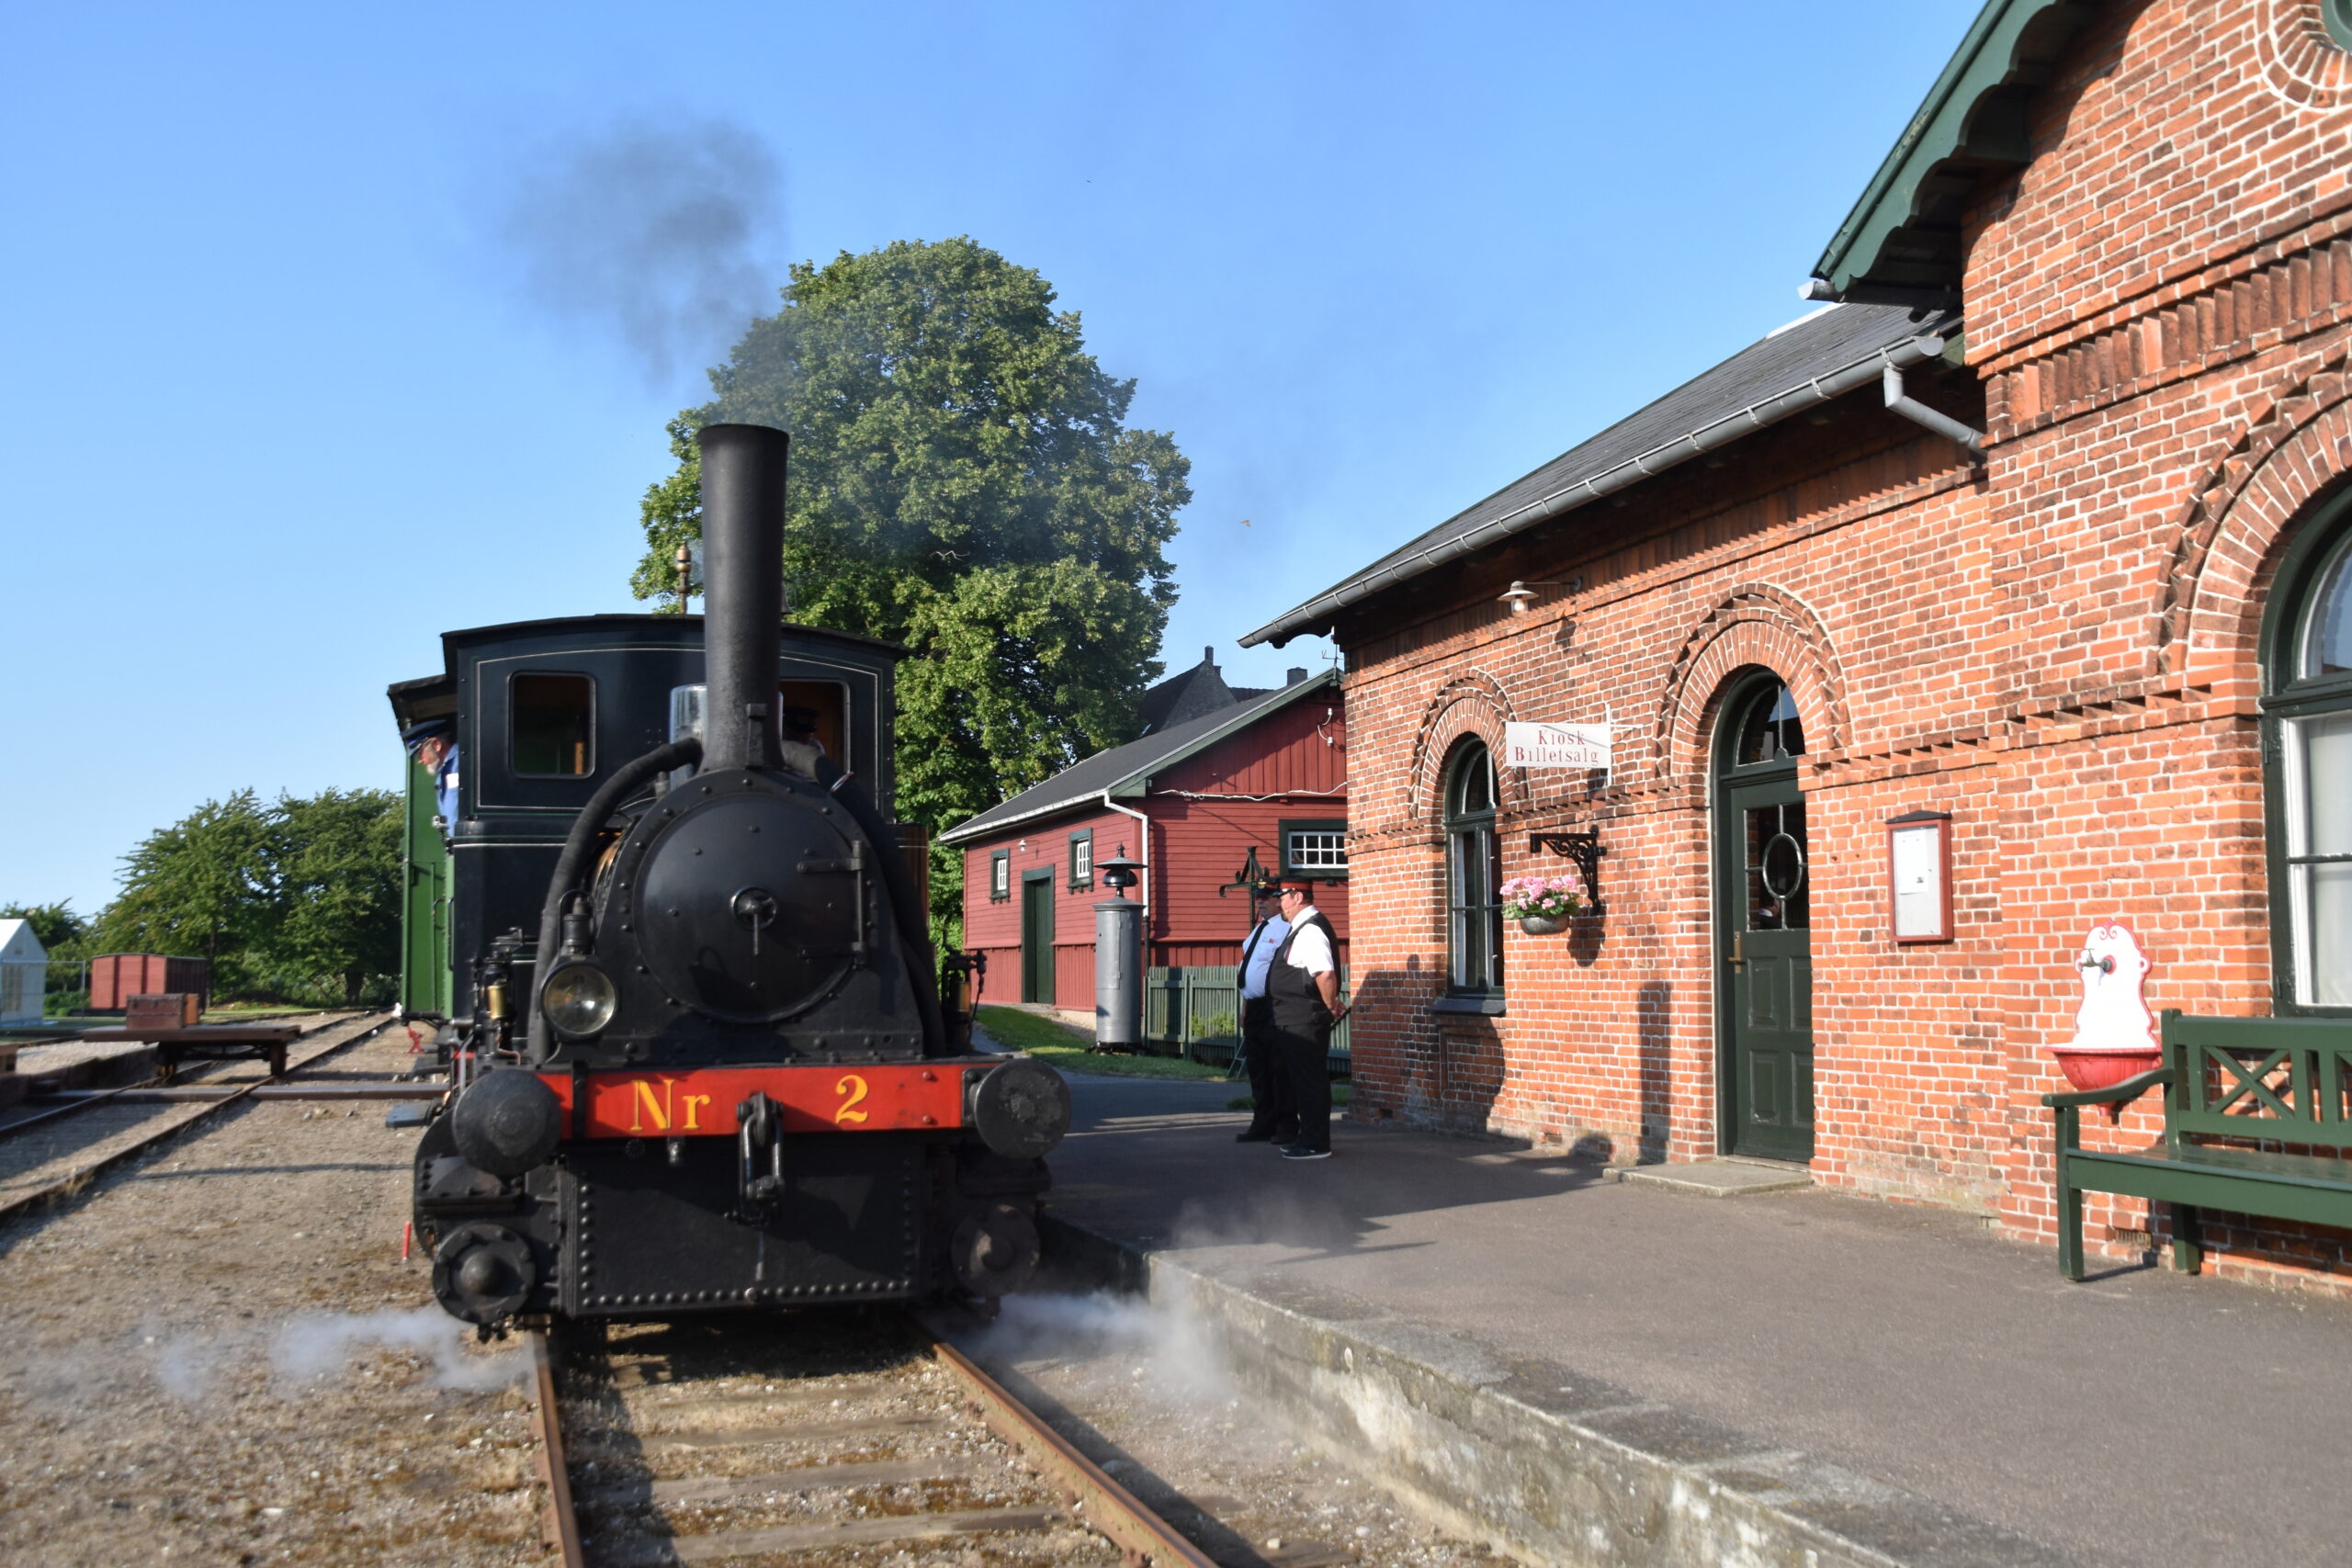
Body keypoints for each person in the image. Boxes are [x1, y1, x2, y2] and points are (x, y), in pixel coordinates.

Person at [1264, 877, 1346, 1160]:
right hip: (1294, 1017)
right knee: (1301, 1081)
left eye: (1282, 897)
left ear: (1298, 896)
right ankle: (1307, 1137)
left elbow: (1324, 973)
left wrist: (1330, 1004)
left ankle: (1315, 1143)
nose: (1279, 904)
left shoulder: (1310, 929)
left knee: (1309, 1082)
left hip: (1304, 1018)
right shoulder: (1301, 928)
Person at [1233, 882, 1296, 1144]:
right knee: (1258, 1068)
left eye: (1265, 897)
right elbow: (1250, 970)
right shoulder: (1258, 930)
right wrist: (1245, 1006)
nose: (1260, 902)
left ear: (1279, 900)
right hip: (1255, 1007)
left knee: (1278, 1068)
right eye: (1257, 897)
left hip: (1274, 1006)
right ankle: (1262, 1123)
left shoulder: (1286, 929)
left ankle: (1286, 1125)